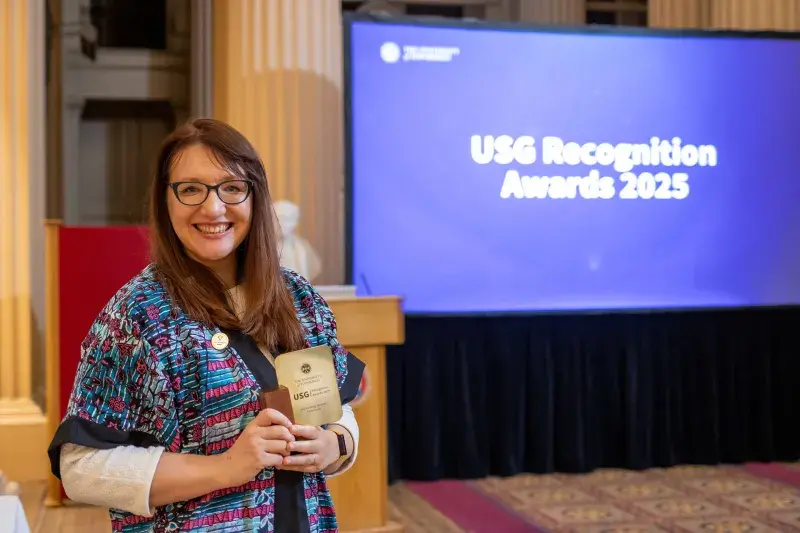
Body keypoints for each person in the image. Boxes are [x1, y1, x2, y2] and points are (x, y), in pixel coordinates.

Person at [47, 118, 365, 532]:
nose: (213, 208)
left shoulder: (298, 299)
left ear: (255, 196)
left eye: (231, 188)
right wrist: (226, 467)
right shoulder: (137, 317)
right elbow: (81, 468)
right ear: (166, 201)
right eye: (191, 189)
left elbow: (333, 409)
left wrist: (335, 444)